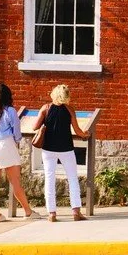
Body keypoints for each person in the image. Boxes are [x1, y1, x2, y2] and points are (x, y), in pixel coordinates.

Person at [0, 83, 36, 221]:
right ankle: (28, 212)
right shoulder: (10, 111)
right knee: (15, 181)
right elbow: (16, 133)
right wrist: (16, 141)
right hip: (6, 143)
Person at [35, 84, 87, 223]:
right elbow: (77, 131)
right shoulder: (70, 110)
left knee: (50, 179)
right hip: (66, 149)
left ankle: (52, 213)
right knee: (72, 178)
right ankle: (76, 211)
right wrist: (85, 135)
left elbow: (35, 126)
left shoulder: (46, 108)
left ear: (54, 94)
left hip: (48, 149)